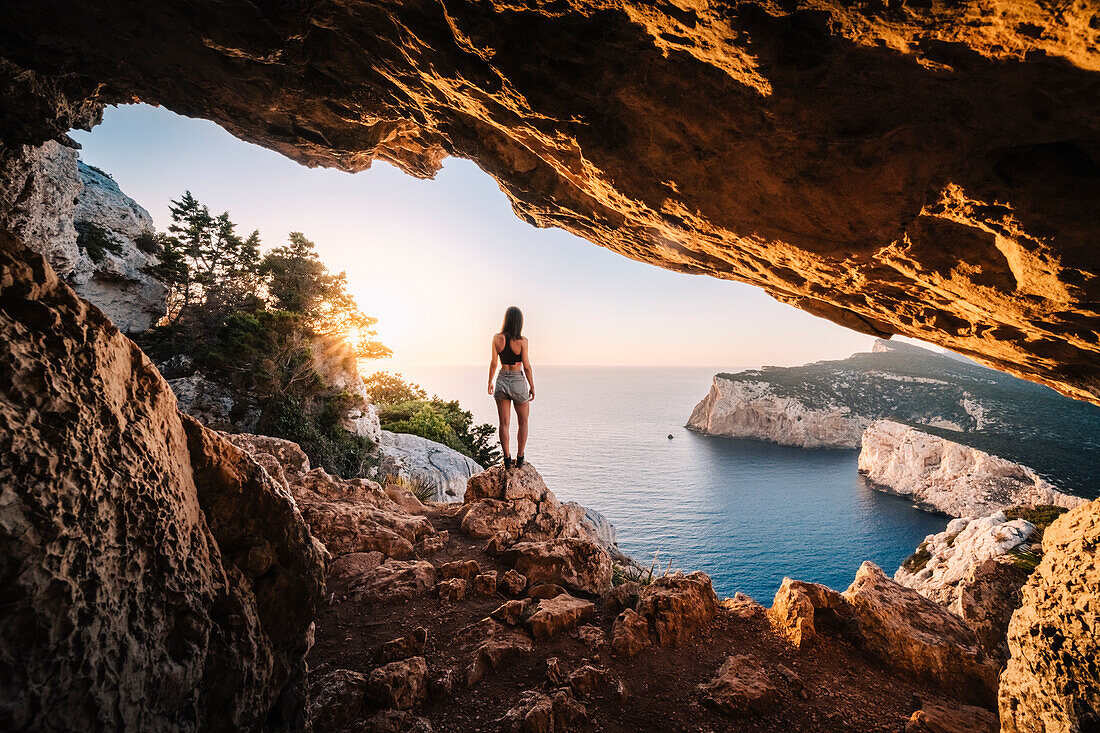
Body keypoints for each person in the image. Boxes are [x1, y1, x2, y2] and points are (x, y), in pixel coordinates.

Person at [488, 306, 534, 468]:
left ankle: (507, 459)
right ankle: (520, 458)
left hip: (501, 380)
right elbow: (526, 366)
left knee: (504, 423)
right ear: (520, 322)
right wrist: (532, 386)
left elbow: (494, 363)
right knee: (523, 422)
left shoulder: (496, 338)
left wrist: (490, 382)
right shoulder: (522, 341)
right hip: (518, 381)